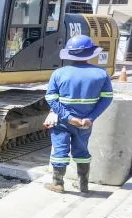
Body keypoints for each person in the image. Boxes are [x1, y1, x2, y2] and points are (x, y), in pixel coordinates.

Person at [44, 34, 113, 194]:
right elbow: (107, 99)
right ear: (90, 53)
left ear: (69, 54)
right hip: (85, 123)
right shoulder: (101, 74)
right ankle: (84, 185)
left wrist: (69, 118)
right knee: (82, 150)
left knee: (60, 150)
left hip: (62, 121)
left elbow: (51, 98)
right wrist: (90, 118)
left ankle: (58, 184)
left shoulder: (59, 73)